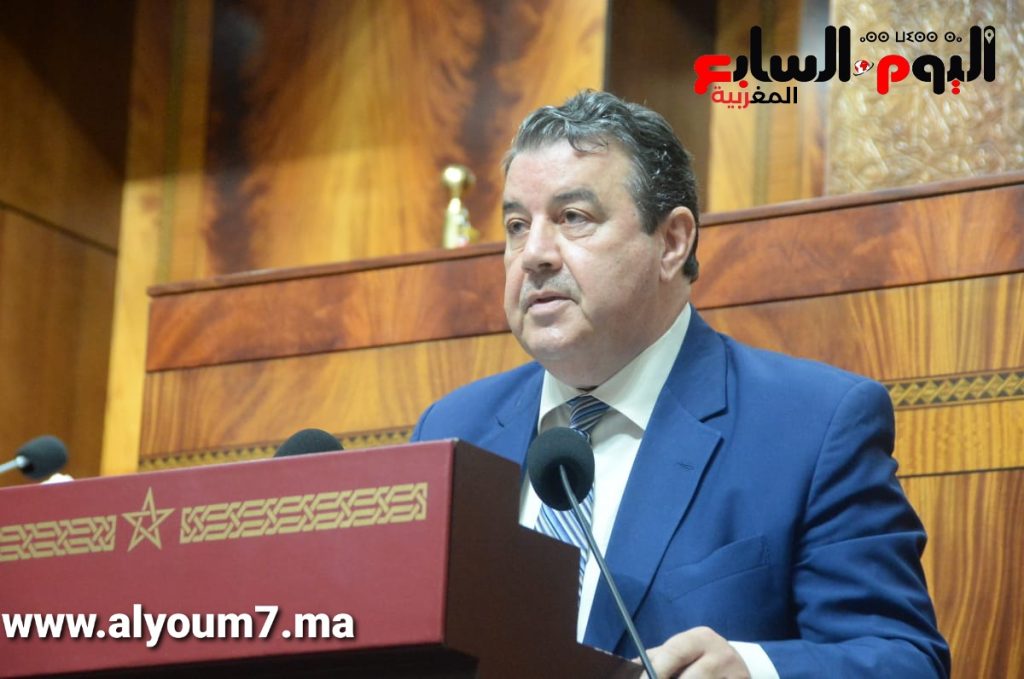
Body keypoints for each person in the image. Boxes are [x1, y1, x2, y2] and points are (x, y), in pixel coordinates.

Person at [411, 90, 950, 678]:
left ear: (671, 242)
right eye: (517, 225)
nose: (534, 254)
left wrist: (755, 671)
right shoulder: (452, 430)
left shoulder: (813, 428)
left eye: (573, 218)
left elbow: (905, 660)